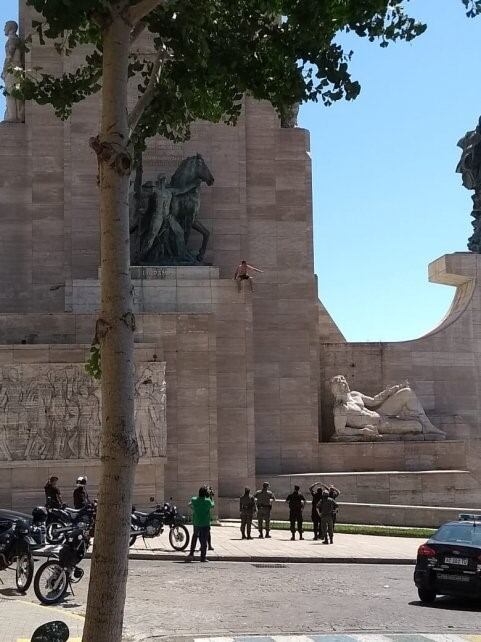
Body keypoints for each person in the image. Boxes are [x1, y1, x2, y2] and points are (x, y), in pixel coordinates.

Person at [185, 485, 214, 562]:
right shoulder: (208, 501)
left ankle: (191, 553)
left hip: (196, 522)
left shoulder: (194, 499)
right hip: (205, 523)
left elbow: (189, 504)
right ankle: (203, 557)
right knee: (203, 540)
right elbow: (212, 505)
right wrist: (211, 497)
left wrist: (194, 509)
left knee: (194, 537)